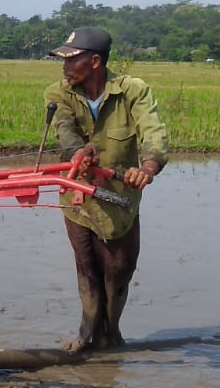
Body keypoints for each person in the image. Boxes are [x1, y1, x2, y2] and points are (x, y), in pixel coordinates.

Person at [43, 27, 168, 353]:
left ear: (95, 61)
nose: (65, 67)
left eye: (71, 60)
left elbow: (153, 133)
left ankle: (111, 335)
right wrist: (77, 153)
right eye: (63, 61)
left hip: (119, 200)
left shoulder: (132, 91)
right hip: (76, 196)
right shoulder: (58, 93)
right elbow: (65, 130)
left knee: (118, 272)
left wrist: (147, 168)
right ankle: (86, 334)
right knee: (86, 269)